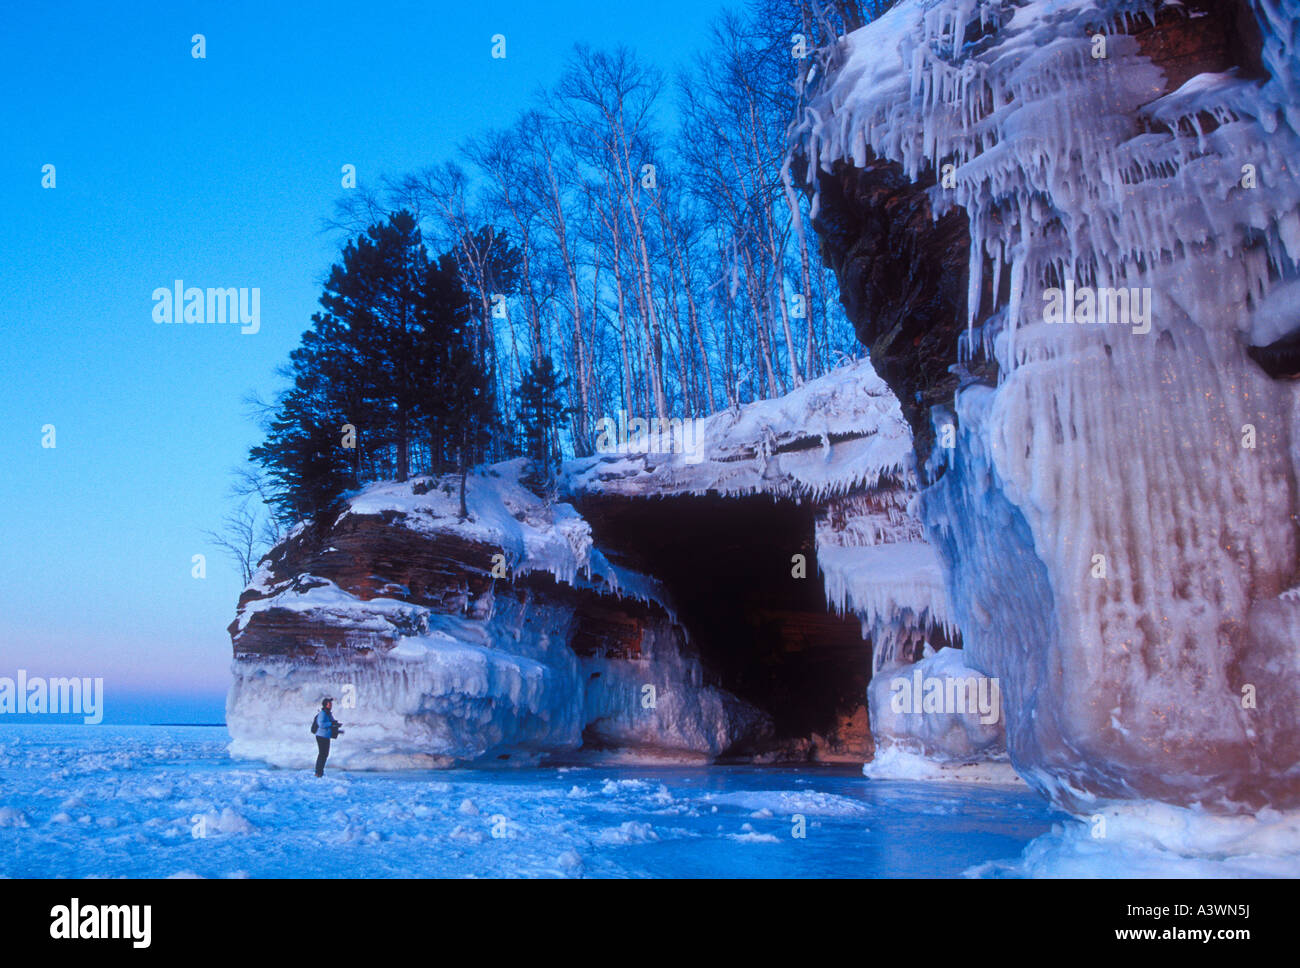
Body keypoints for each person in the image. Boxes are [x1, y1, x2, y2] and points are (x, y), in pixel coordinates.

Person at [312, 697, 342, 777]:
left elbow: (331, 722)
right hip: (321, 736)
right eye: (329, 703)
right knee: (322, 754)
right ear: (325, 705)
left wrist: (336, 725)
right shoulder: (323, 713)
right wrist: (331, 724)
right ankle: (318, 772)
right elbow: (321, 724)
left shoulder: (328, 713)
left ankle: (319, 772)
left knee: (324, 754)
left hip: (326, 736)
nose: (331, 705)